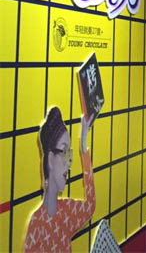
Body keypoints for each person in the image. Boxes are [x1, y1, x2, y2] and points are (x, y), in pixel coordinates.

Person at [24, 106, 95, 252]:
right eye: (63, 152)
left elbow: (90, 206)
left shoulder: (65, 210)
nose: (69, 162)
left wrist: (83, 144)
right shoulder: (37, 225)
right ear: (50, 159)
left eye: (69, 154)